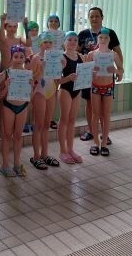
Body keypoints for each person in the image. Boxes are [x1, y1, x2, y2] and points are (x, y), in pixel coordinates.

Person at [78, 7, 123, 144]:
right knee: (90, 104)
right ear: (88, 18)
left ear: (102, 17)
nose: (94, 18)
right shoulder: (83, 34)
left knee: (104, 108)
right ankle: (91, 131)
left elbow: (118, 52)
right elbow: (76, 52)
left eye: (97, 16)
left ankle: (105, 134)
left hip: (106, 76)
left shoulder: (110, 33)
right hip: (90, 76)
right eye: (91, 16)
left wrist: (120, 71)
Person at [86, 28, 123, 156]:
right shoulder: (92, 54)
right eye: (101, 37)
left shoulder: (114, 55)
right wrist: (92, 71)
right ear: (97, 39)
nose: (103, 40)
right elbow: (85, 72)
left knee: (106, 115)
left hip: (108, 86)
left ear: (109, 39)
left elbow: (121, 70)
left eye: (106, 38)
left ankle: (104, 143)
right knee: (95, 115)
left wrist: (115, 71)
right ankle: (95, 142)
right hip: (95, 87)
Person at [28, 32, 60, 170]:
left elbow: (57, 77)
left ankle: (45, 154)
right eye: (45, 42)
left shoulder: (55, 57)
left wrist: (61, 66)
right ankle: (36, 156)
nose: (48, 45)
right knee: (38, 125)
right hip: (39, 92)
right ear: (40, 44)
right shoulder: (36, 58)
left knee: (47, 124)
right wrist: (40, 70)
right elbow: (29, 78)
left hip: (51, 91)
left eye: (50, 42)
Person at [0, 45, 30, 177]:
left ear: (24, 58)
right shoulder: (5, 73)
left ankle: (17, 164)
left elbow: (30, 95)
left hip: (23, 106)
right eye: (16, 56)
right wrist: (6, 86)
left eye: (21, 57)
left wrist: (31, 86)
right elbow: (0, 95)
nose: (18, 59)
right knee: (7, 136)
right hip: (8, 106)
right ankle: (5, 165)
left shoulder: (27, 74)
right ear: (11, 58)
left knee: (18, 136)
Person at [57, 31, 85, 164]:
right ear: (64, 42)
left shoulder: (80, 57)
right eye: (70, 40)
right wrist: (68, 78)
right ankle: (63, 151)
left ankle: (70, 149)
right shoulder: (61, 58)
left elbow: (84, 74)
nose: (73, 42)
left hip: (77, 90)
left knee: (72, 120)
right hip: (65, 90)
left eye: (75, 40)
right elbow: (57, 81)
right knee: (64, 120)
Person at [46, 14, 64, 130]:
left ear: (59, 24)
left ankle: (50, 118)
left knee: (53, 93)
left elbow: (66, 49)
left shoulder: (63, 35)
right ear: (47, 23)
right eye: (51, 21)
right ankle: (42, 118)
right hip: (45, 66)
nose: (53, 23)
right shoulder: (43, 35)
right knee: (43, 92)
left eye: (55, 21)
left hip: (57, 66)